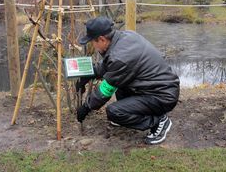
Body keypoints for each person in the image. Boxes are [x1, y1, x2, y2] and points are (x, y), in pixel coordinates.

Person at [76, 16, 180, 145]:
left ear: (102, 39)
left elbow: (105, 90)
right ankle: (128, 114)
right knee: (121, 86)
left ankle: (158, 121)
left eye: (92, 41)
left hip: (162, 96)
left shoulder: (120, 57)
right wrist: (90, 73)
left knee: (114, 112)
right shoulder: (125, 37)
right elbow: (110, 64)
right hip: (155, 87)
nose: (93, 45)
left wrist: (87, 107)